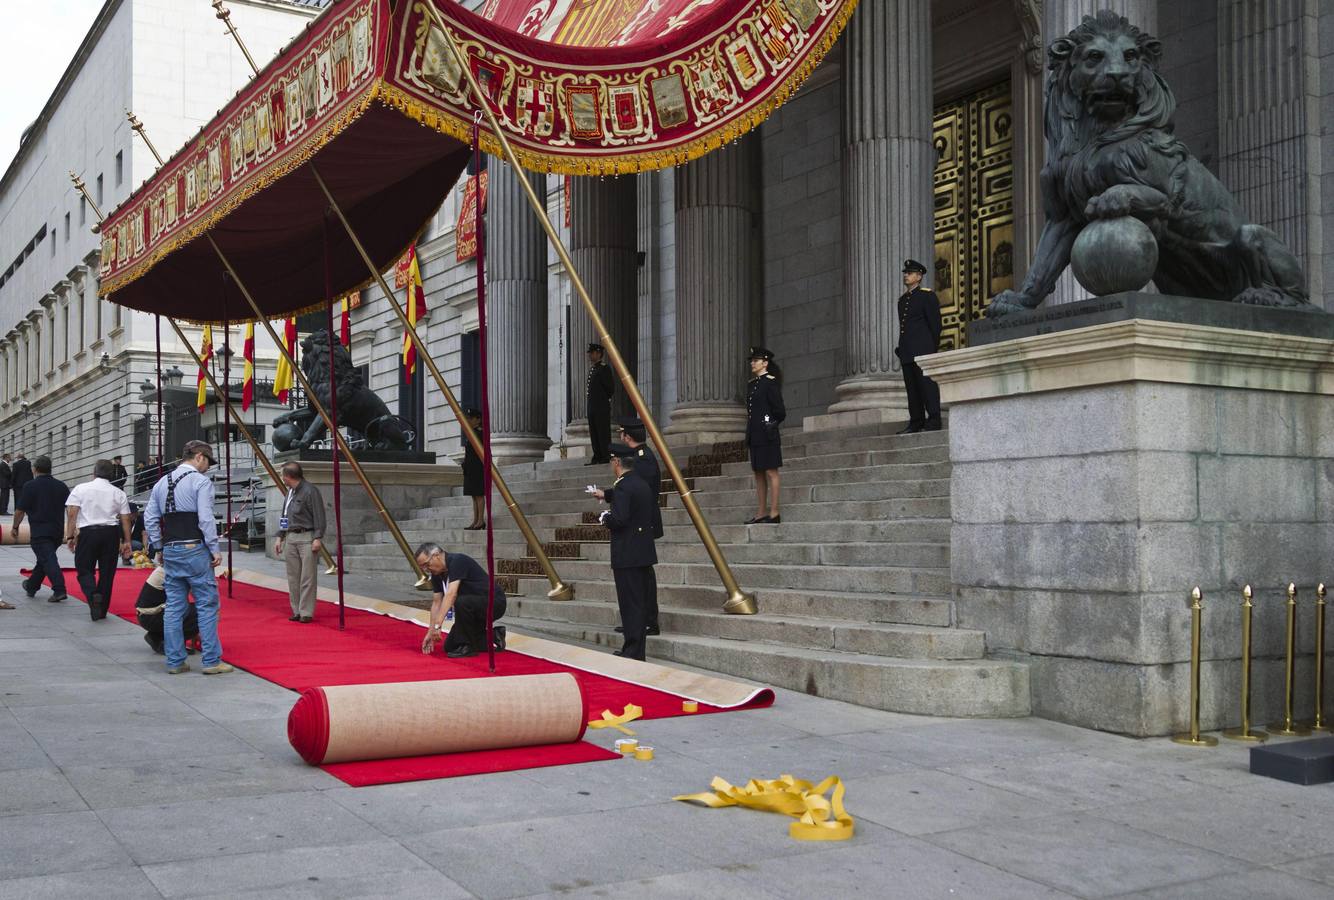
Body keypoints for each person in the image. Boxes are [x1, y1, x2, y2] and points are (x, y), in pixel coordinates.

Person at [144, 440, 231, 675]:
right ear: (200, 456)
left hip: (171, 548)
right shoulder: (200, 482)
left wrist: (158, 546)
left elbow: (150, 517)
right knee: (207, 603)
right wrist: (214, 548)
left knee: (174, 606)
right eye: (208, 462)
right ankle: (211, 660)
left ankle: (175, 661)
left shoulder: (162, 482)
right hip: (194, 547)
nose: (208, 467)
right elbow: (205, 518)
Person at [602, 417, 662, 636]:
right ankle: (638, 622)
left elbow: (635, 490)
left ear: (627, 436)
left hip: (640, 523)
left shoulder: (643, 459)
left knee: (641, 578)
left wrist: (611, 497)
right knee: (640, 576)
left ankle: (645, 621)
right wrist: (608, 494)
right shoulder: (639, 457)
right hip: (638, 521)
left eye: (622, 434)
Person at [597, 443, 657, 660]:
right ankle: (635, 649)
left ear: (617, 463)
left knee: (630, 606)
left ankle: (633, 650)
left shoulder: (623, 486)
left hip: (627, 554)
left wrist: (605, 518)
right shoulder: (640, 483)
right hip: (642, 552)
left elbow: (619, 520)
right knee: (639, 603)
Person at [64, 459, 133, 621]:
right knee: (107, 573)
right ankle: (101, 611)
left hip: (88, 533)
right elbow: (126, 519)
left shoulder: (81, 488)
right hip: (111, 533)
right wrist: (127, 541)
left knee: (83, 569)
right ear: (111, 475)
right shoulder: (118, 492)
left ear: (93, 473)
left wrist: (70, 536)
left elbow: (72, 513)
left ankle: (93, 594)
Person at [416, 542, 506, 658]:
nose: (426, 569)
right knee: (450, 646)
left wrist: (438, 625)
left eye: (427, 564)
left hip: (493, 603)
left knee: (460, 601)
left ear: (436, 555)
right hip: (469, 608)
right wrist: (431, 631)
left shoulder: (458, 561)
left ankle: (468, 647)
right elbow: (437, 602)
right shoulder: (436, 574)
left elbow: (451, 594)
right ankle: (494, 636)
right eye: (423, 567)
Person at [272, 461, 326, 623]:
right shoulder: (290, 492)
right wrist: (279, 536)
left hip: (306, 536)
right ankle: (296, 610)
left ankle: (306, 611)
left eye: (283, 475)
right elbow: (285, 515)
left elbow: (319, 516)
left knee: (307, 577)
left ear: (289, 476)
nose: (282, 478)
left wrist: (318, 537)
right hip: (291, 536)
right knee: (293, 576)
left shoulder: (310, 491)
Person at [894, 258, 943, 434]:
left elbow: (935, 325)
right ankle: (916, 421)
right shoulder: (902, 301)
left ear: (919, 276)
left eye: (910, 273)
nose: (906, 276)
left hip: (923, 350)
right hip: (907, 351)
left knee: (926, 385)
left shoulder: (927, 296)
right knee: (912, 388)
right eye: (905, 273)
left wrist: (931, 348)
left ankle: (934, 419)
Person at [14, 456, 69, 602]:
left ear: (35, 469)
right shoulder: (61, 486)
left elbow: (20, 511)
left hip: (40, 531)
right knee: (44, 559)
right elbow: (70, 509)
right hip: (57, 531)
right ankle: (31, 585)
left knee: (48, 559)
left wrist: (15, 527)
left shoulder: (30, 486)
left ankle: (59, 589)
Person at [745, 346, 785, 525]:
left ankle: (774, 512)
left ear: (765, 362)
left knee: (771, 472)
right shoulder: (752, 385)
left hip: (767, 434)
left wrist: (769, 423)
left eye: (756, 360)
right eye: (752, 360)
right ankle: (761, 512)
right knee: (758, 473)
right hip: (755, 435)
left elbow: (779, 411)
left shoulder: (770, 383)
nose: (753, 363)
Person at [135, 566, 200, 654]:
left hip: (147, 615)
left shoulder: (170, 566)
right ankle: (172, 645)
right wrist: (201, 627)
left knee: (194, 610)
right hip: (151, 616)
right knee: (204, 612)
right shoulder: (176, 570)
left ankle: (157, 637)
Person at [584, 342, 615, 466]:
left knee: (602, 431)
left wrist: (602, 401)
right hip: (593, 406)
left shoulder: (604, 368)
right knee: (594, 431)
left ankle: (605, 455)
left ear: (598, 353)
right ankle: (597, 455)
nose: (590, 356)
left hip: (601, 406)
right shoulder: (593, 369)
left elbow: (610, 388)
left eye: (592, 353)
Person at [460, 407, 486, 530]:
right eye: (468, 419)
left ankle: (480, 520)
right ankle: (475, 520)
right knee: (473, 495)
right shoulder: (471, 432)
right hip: (470, 467)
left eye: (471, 418)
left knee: (479, 494)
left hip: (478, 467)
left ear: (478, 419)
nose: (469, 421)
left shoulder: (480, 432)